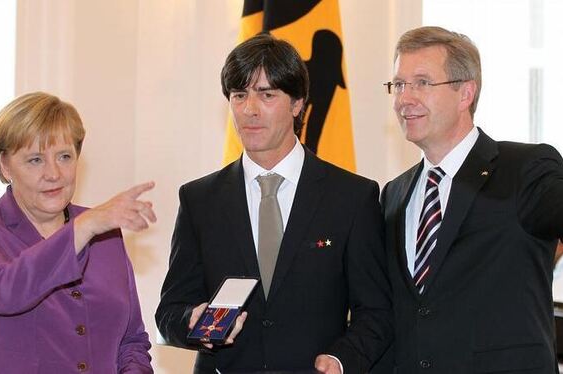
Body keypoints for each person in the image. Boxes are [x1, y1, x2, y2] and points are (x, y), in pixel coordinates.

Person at [373, 26, 563, 373]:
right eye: (398, 84)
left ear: (466, 93)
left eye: (422, 83)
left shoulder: (524, 168)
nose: (404, 98)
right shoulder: (394, 194)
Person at [156, 33, 392, 374]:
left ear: (297, 104)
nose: (250, 109)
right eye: (239, 95)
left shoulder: (352, 197)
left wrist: (342, 360)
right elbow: (169, 311)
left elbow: (376, 311)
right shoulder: (199, 199)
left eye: (267, 95)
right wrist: (191, 322)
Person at [0, 92, 156, 373]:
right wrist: (83, 227)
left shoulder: (104, 233)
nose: (54, 173)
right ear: (4, 165)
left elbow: (131, 341)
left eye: (64, 157)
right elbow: (1, 290)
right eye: (35, 160)